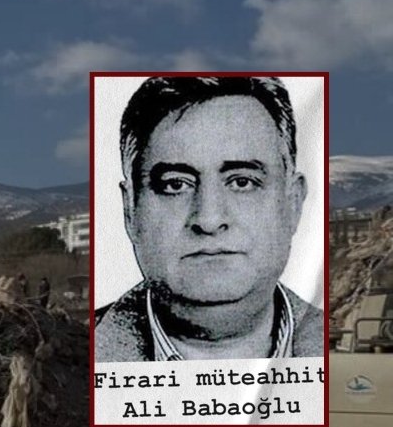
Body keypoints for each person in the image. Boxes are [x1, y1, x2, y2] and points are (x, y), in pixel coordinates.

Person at [95, 76, 324, 362]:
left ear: (293, 202)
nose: (209, 220)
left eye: (242, 182)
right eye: (175, 185)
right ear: (130, 209)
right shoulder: (64, 357)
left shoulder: (345, 350)